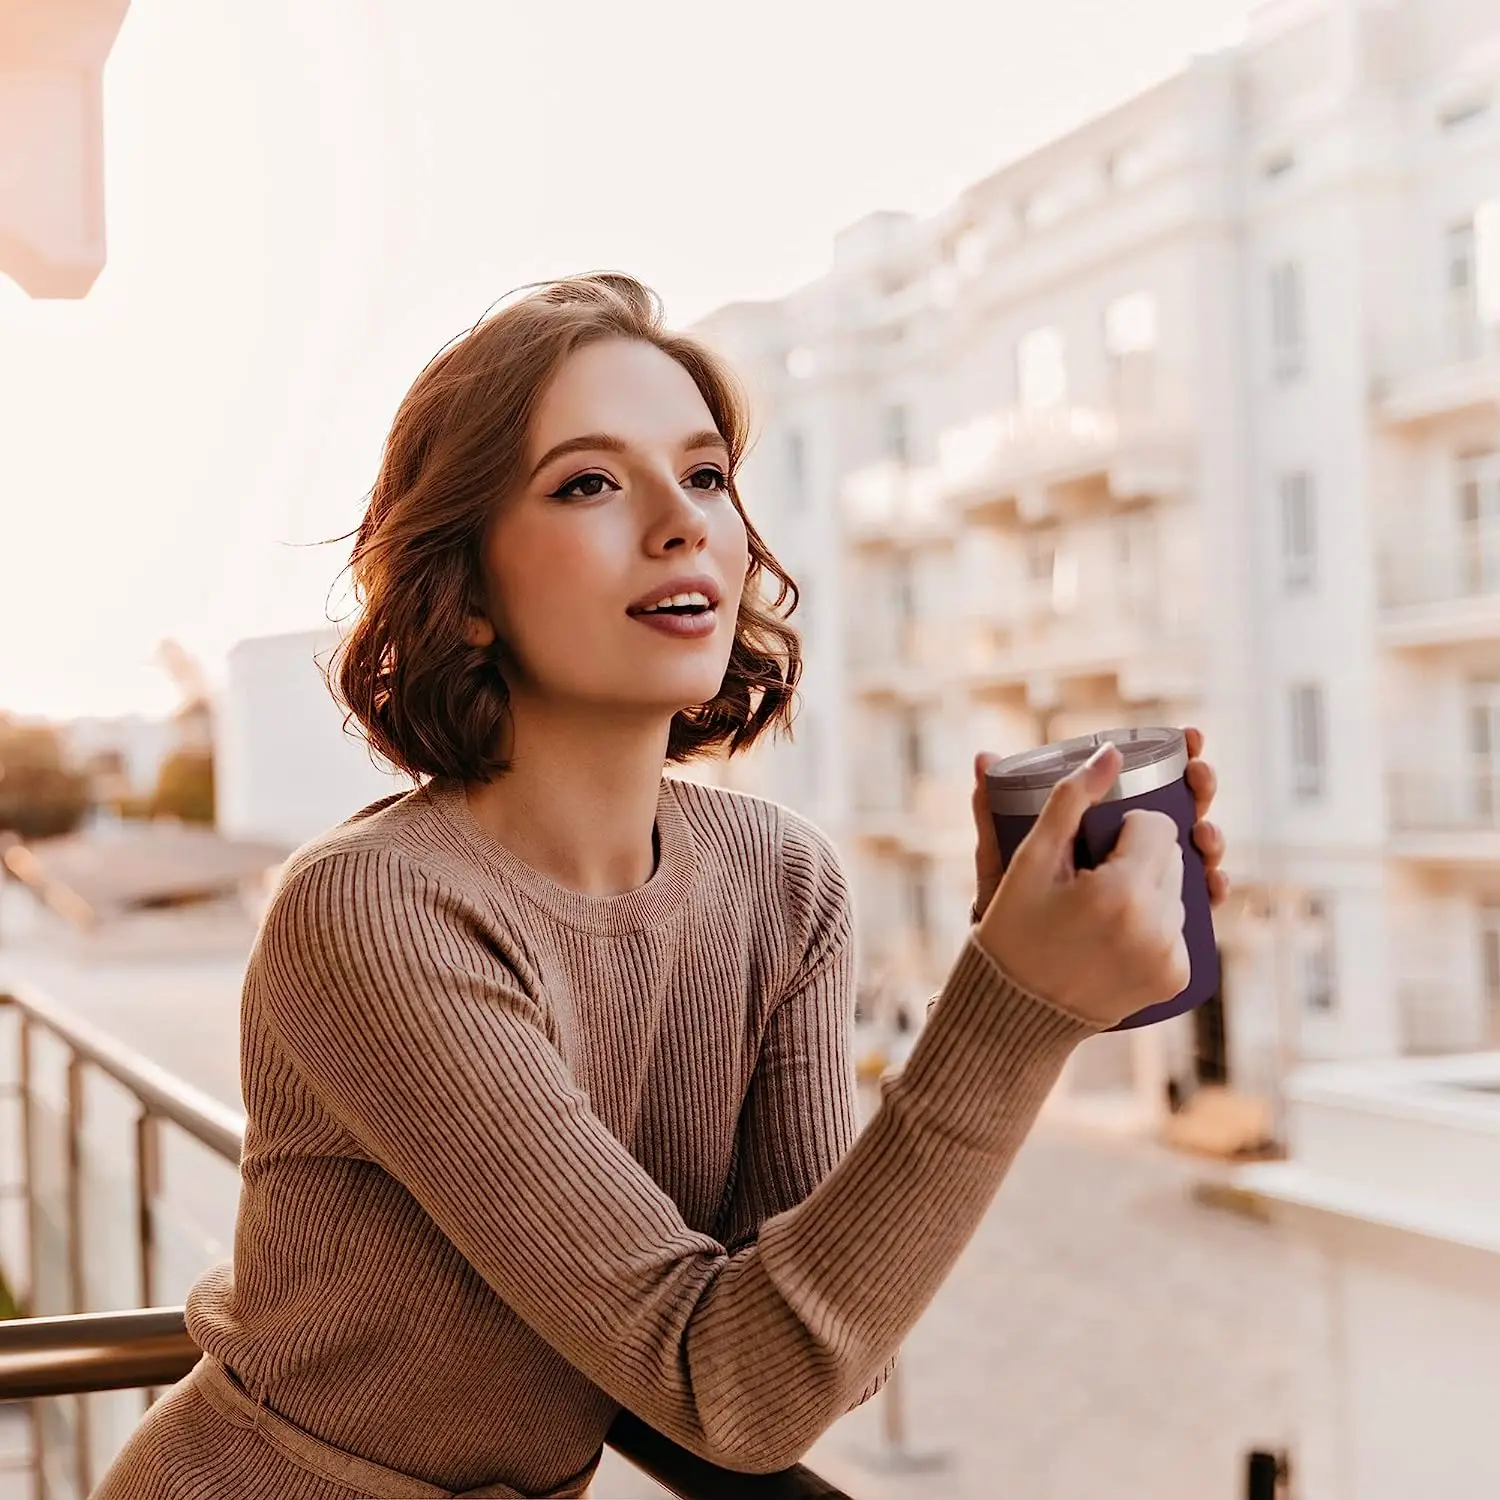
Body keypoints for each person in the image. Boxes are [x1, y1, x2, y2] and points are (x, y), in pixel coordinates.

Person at [93, 273, 1229, 1499]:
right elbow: (732, 1387)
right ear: (465, 593)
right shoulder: (371, 913)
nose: (682, 522)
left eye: (704, 475)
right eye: (588, 481)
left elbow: (808, 1353)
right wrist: (1013, 1011)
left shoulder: (784, 883)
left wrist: (1029, 973)